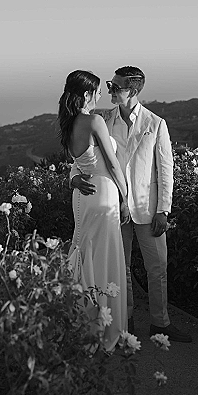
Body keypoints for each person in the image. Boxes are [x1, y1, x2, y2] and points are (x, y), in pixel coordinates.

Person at [70, 66, 191, 343]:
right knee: (119, 267)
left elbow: (165, 169)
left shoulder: (155, 123)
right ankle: (125, 321)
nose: (110, 90)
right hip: (114, 206)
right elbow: (84, 157)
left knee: (157, 267)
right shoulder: (101, 119)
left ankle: (160, 323)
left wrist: (163, 209)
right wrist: (74, 178)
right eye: (109, 85)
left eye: (115, 86)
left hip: (148, 209)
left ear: (133, 91)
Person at [58, 70, 130, 351]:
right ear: (87, 95)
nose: (100, 95)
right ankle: (104, 328)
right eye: (97, 91)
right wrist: (125, 197)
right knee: (105, 258)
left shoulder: (70, 123)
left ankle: (84, 320)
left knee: (86, 253)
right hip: (104, 196)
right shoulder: (94, 121)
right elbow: (112, 164)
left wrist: (74, 179)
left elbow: (81, 162)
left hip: (84, 198)